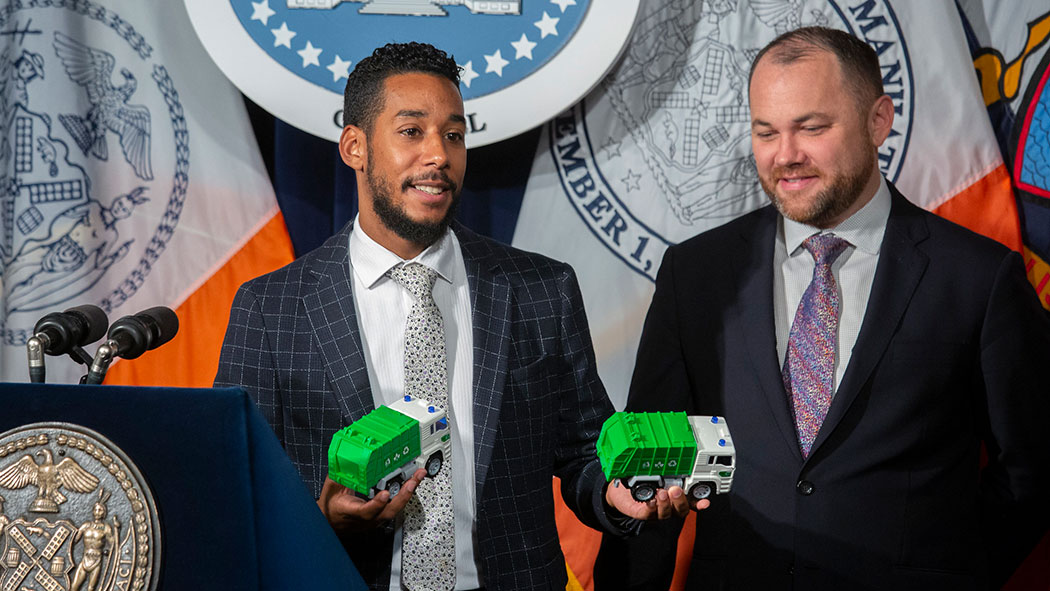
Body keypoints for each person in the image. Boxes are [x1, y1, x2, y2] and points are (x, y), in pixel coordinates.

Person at [215, 42, 694, 591]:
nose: (439, 155)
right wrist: (323, 516)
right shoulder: (272, 308)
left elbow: (585, 451)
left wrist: (615, 493)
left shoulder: (542, 289)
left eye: (454, 134)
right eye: (412, 131)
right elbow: (239, 485)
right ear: (355, 146)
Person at [594, 26, 1050, 591]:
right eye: (766, 132)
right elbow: (653, 470)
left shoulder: (979, 277)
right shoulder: (696, 274)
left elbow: (1033, 469)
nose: (786, 155)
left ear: (878, 120)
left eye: (812, 127)